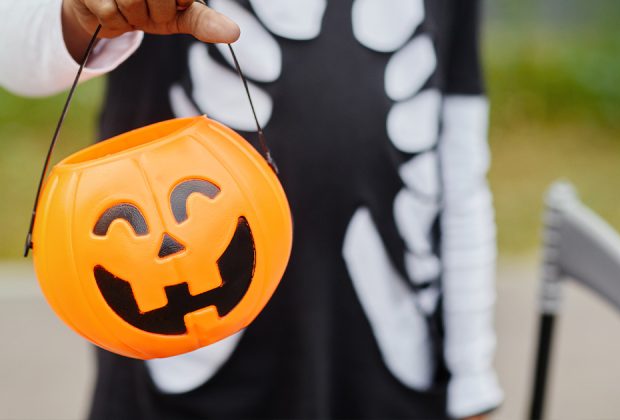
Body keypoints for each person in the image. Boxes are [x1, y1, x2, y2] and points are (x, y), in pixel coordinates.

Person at [0, 0, 503, 418]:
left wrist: (473, 377)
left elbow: (459, 171)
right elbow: (15, 45)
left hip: (393, 356)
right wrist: (79, 15)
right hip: (181, 360)